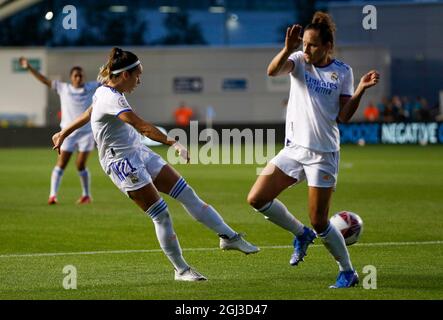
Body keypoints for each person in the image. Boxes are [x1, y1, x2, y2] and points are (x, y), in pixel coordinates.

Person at [52, 48, 259, 281]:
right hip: (121, 163)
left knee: (187, 194)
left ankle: (229, 237)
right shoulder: (111, 97)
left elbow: (89, 112)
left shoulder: (104, 91)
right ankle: (181, 270)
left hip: (138, 151)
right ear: (124, 75)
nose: (139, 80)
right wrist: (173, 142)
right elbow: (143, 127)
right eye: (137, 75)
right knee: (161, 214)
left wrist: (64, 132)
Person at [246, 12, 379, 288]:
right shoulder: (297, 61)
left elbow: (344, 116)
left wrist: (360, 91)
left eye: (313, 45)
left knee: (320, 221)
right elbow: (271, 71)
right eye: (304, 43)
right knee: (256, 198)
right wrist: (287, 49)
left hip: (323, 154)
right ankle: (300, 234)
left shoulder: (342, 71)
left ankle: (347, 271)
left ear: (328, 46)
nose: (306, 49)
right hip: (294, 149)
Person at [19, 57, 100, 205]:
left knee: (81, 165)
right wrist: (29, 67)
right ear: (71, 78)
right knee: (61, 163)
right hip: (67, 134)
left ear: (84, 77)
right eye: (76, 75)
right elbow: (44, 80)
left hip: (86, 133)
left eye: (81, 75)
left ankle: (86, 195)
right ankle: (52, 196)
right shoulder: (64, 88)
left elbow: (108, 82)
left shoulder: (92, 87)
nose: (78, 77)